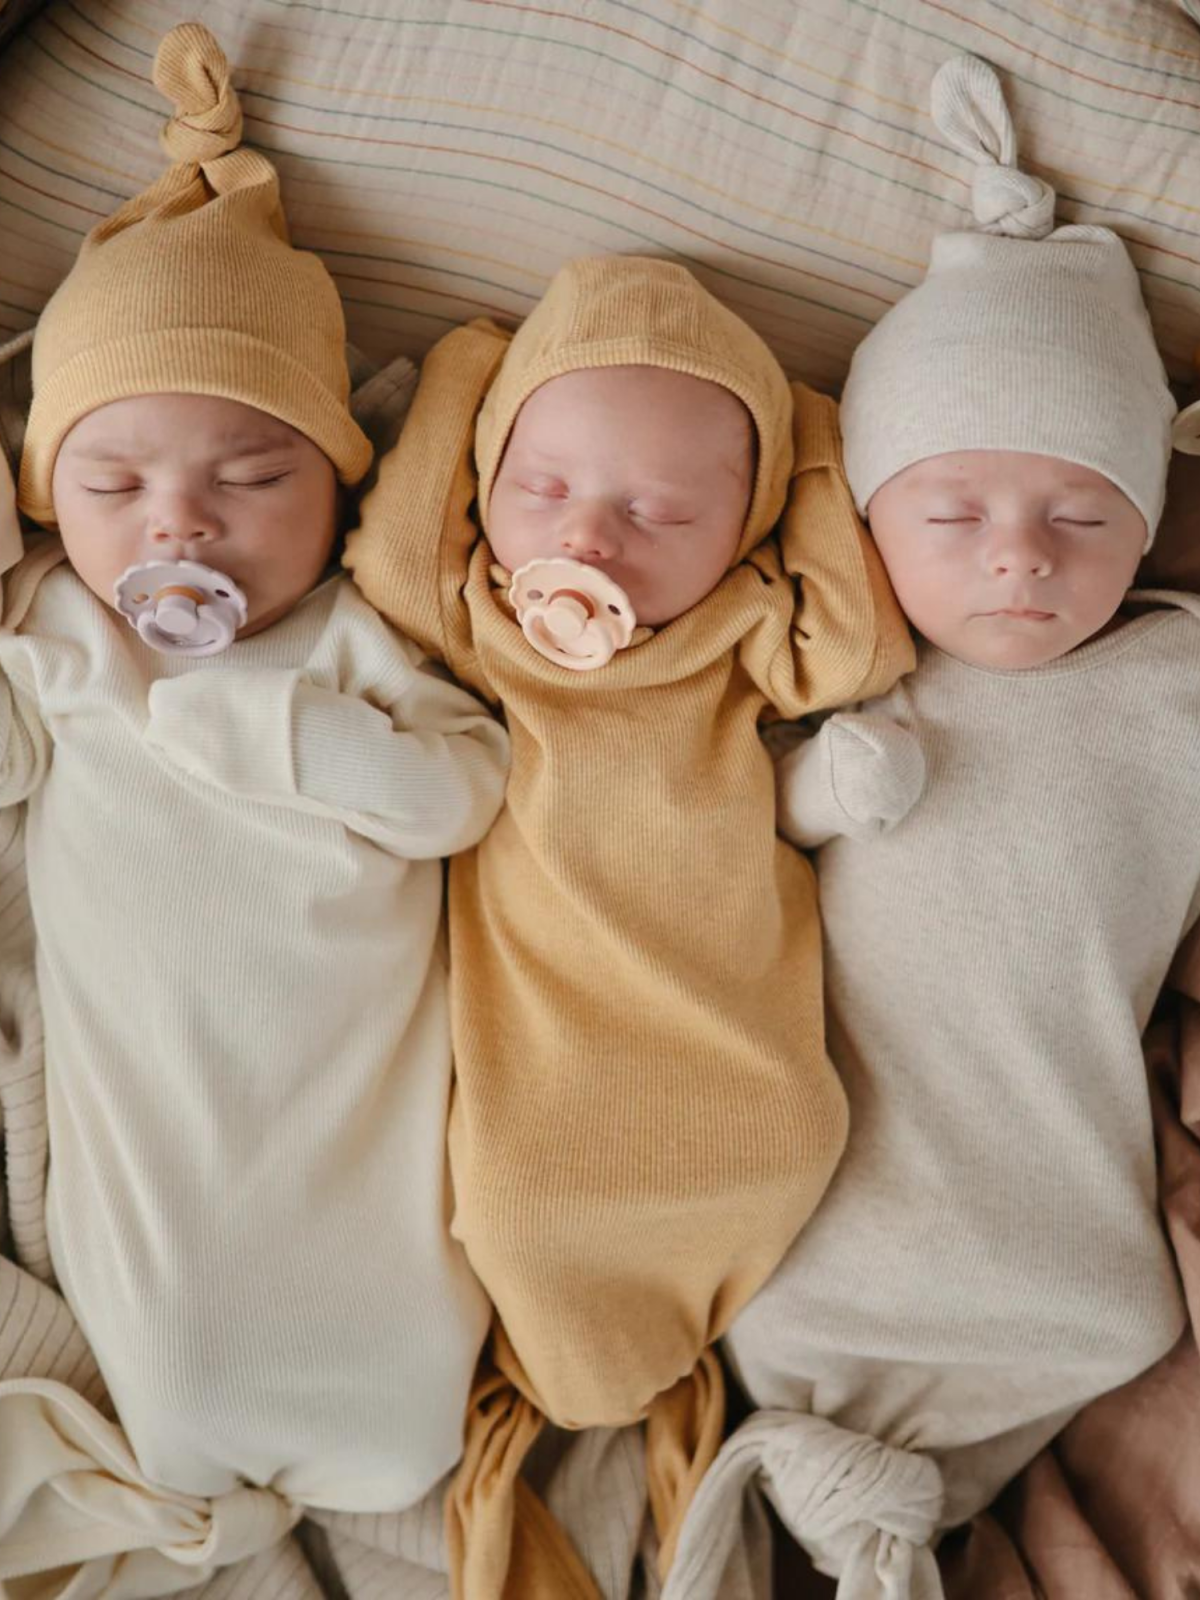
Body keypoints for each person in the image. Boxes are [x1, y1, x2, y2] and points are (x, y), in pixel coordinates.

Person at [664, 55, 1193, 1600]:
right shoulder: (835, 666)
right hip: (836, 1182)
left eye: (1081, 516)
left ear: (1147, 527)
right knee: (810, 1274)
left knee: (1095, 1302)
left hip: (1068, 1191)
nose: (1020, 559)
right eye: (954, 516)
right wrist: (826, 787)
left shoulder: (1176, 682)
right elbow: (703, 835)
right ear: (872, 521)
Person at [0, 23, 509, 1583]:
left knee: (372, 1273)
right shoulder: (56, 629)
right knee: (171, 1312)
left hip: (336, 1080)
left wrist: (288, 736)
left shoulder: (359, 641)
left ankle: (370, 1432)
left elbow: (465, 791)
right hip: (150, 1101)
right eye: (114, 486)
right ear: (50, 500)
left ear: (342, 484)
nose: (181, 526)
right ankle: (191, 1474)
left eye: (252, 476)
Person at [343, 251, 915, 1596]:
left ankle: (673, 1385)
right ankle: (574, 1385)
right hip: (545, 1041)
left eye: (661, 511)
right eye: (543, 488)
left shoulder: (741, 631)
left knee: (789, 1144)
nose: (590, 540)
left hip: (729, 1034)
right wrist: (466, 374)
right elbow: (389, 562)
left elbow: (862, 648)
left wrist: (811, 436)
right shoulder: (483, 621)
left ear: (745, 529)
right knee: (514, 1207)